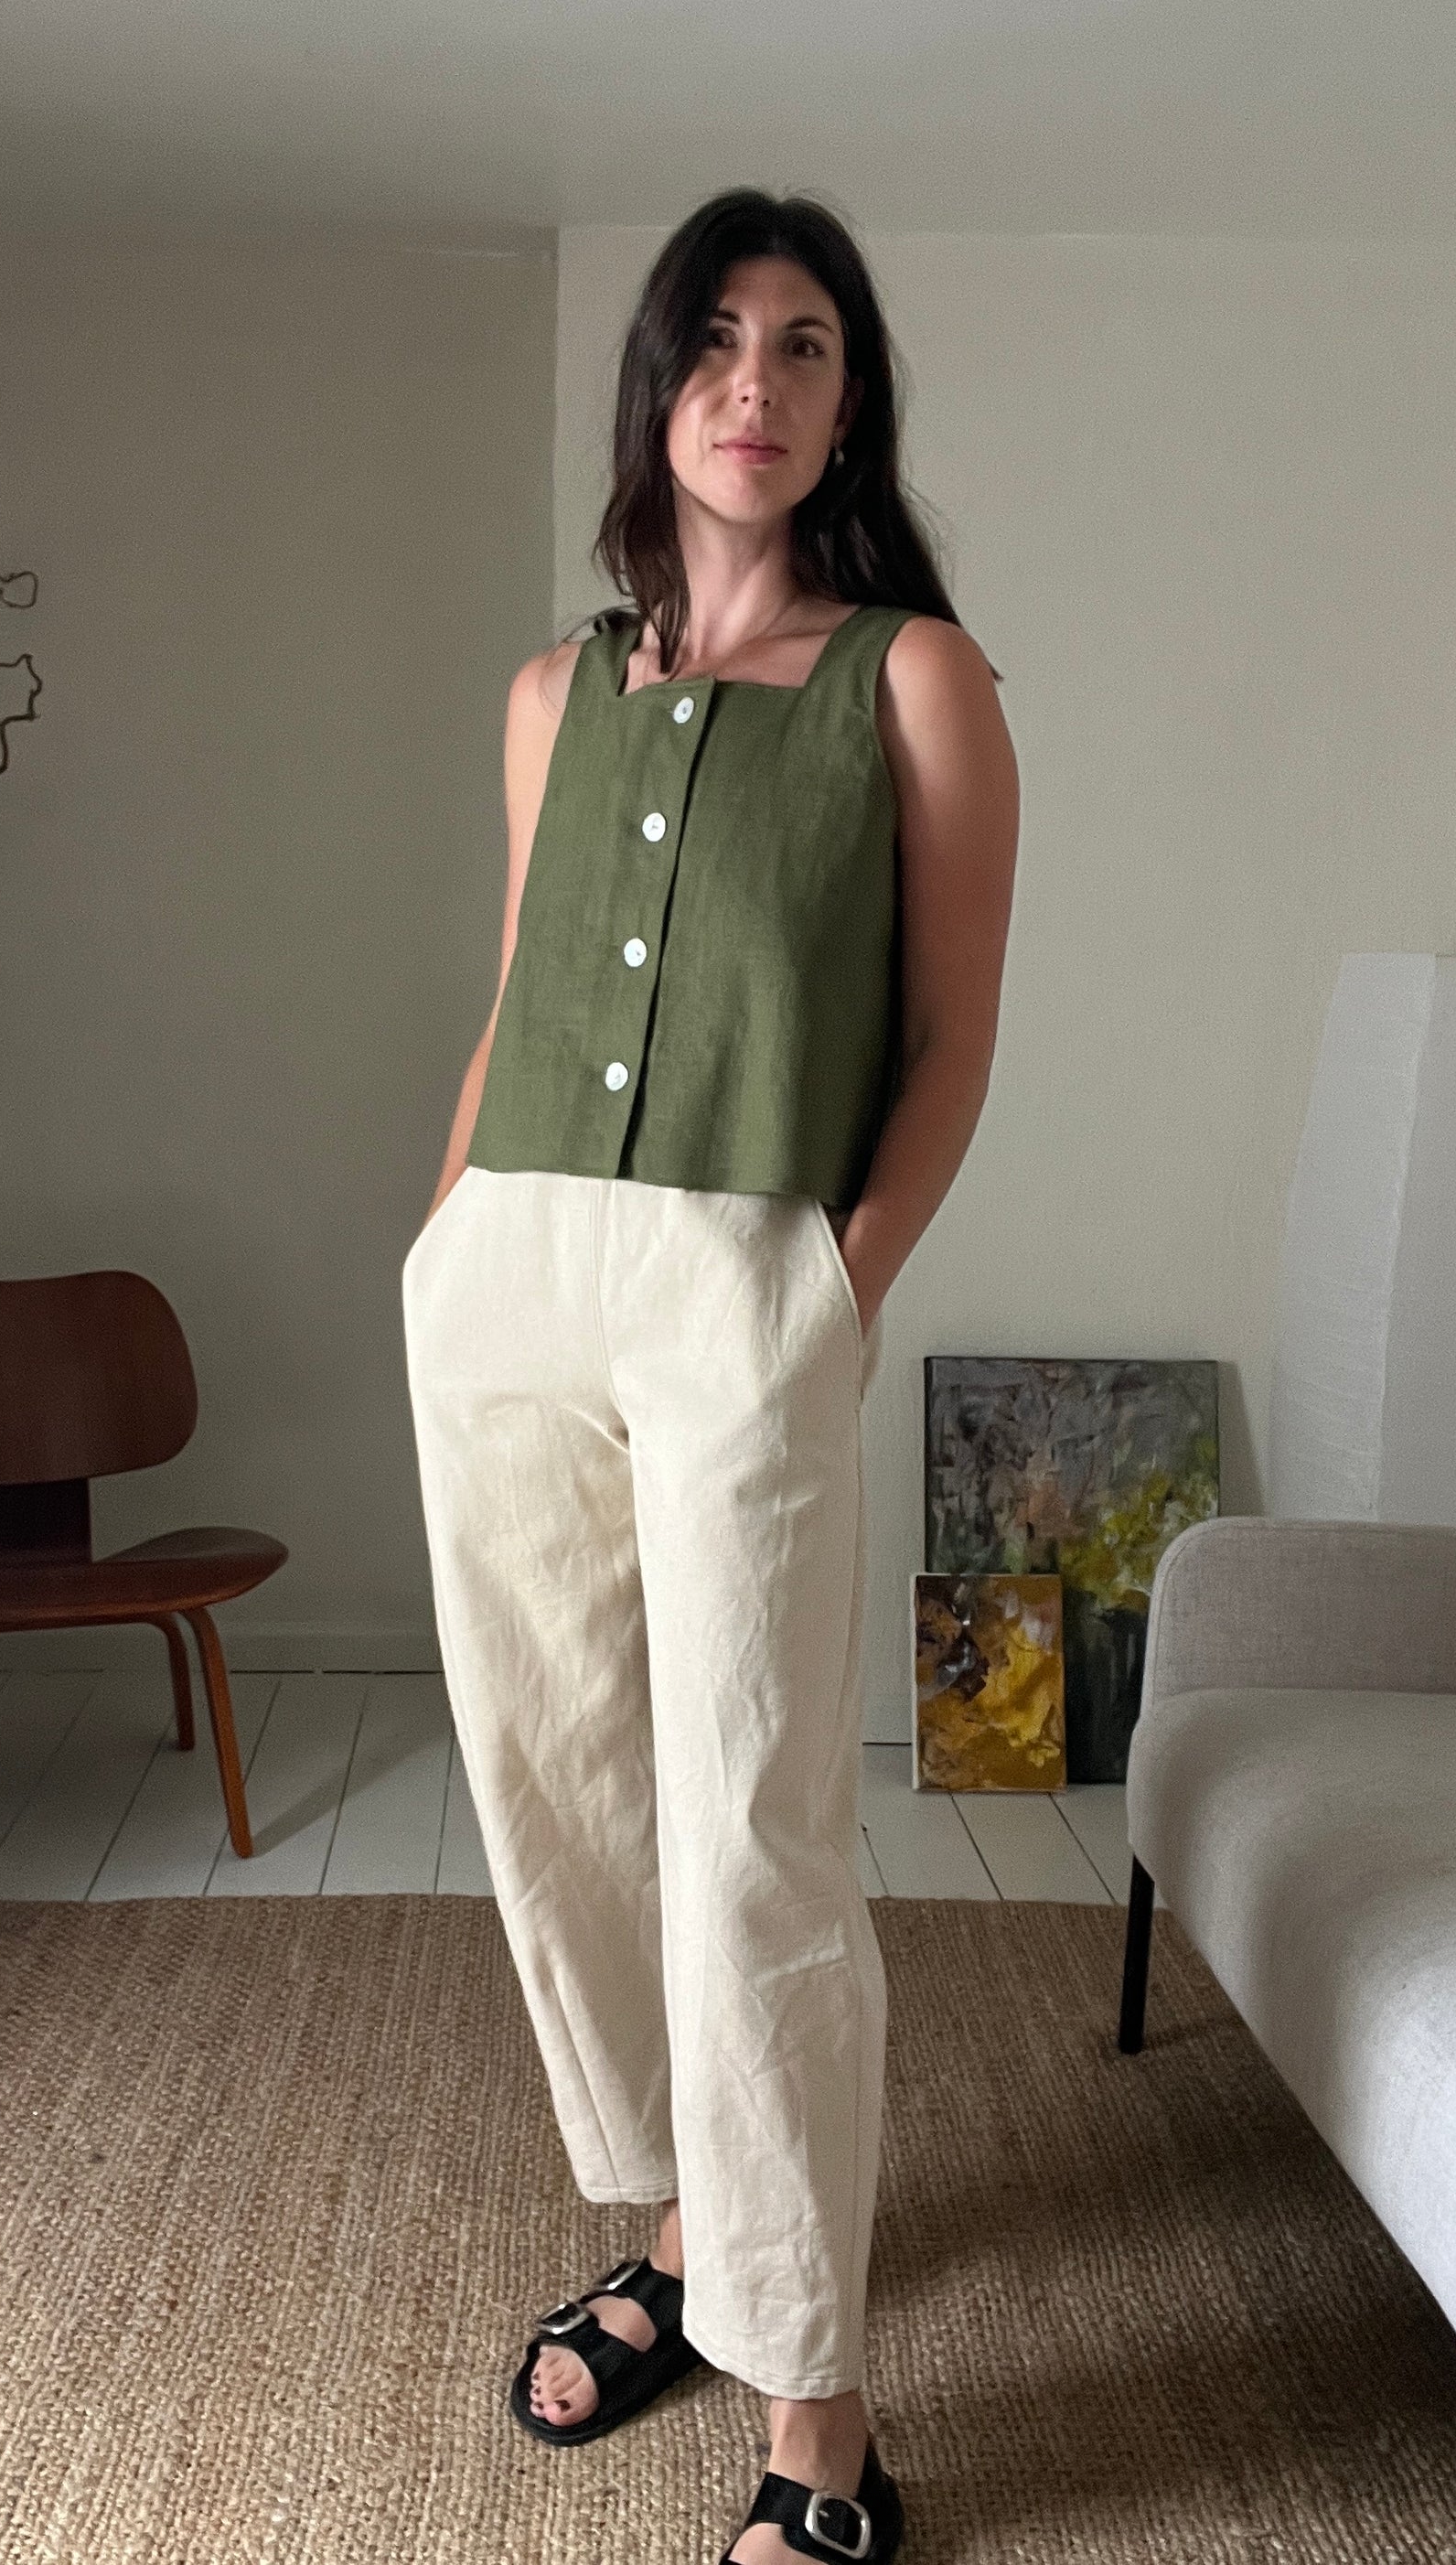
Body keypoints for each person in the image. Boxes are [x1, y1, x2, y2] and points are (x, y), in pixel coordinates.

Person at [401, 184, 1019, 2565]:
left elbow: (951, 1047)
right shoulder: (557, 694)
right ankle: (680, 2239)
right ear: (654, 390)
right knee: (564, 1797)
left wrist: (832, 1295)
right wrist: (447, 1234)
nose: (752, 382)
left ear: (847, 401)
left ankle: (821, 2419)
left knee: (753, 1833)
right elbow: (510, 1001)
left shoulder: (916, 684)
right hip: (513, 1278)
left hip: (745, 1281)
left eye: (804, 343)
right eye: (713, 342)